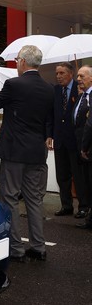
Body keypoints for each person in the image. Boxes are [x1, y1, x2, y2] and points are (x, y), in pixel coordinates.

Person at [0, 45, 53, 262]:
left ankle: (15, 248)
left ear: (23, 62)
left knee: (10, 199)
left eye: (17, 61)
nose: (16, 65)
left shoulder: (13, 84)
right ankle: (38, 247)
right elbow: (49, 120)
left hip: (14, 151)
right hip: (36, 152)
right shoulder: (48, 88)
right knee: (34, 200)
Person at [46, 62, 87, 218]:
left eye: (62, 73)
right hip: (60, 140)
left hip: (75, 142)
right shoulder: (55, 91)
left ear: (71, 74)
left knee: (78, 176)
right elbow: (50, 115)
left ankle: (83, 206)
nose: (58, 76)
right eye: (57, 73)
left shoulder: (80, 88)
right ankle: (66, 205)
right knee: (62, 175)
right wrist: (49, 135)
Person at [75, 65, 92, 229]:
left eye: (82, 76)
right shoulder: (83, 96)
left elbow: (90, 124)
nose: (78, 79)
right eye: (78, 76)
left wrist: (84, 147)